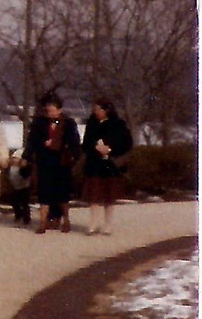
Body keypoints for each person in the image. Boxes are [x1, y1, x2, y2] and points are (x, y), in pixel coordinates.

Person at [24, 90, 81, 233]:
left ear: (59, 109)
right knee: (44, 192)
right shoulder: (39, 122)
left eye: (52, 109)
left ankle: (64, 219)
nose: (49, 112)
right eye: (47, 110)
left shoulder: (68, 123)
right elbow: (32, 141)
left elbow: (74, 142)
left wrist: (71, 153)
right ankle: (43, 221)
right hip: (44, 161)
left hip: (62, 162)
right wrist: (27, 156)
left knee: (61, 193)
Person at [81, 96, 133, 235]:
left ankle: (108, 225)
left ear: (106, 110)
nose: (95, 112)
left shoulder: (118, 124)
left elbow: (127, 143)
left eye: (98, 109)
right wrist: (94, 146)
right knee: (93, 196)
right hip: (94, 163)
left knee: (108, 197)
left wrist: (110, 149)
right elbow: (85, 143)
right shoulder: (92, 123)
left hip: (110, 164)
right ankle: (93, 224)